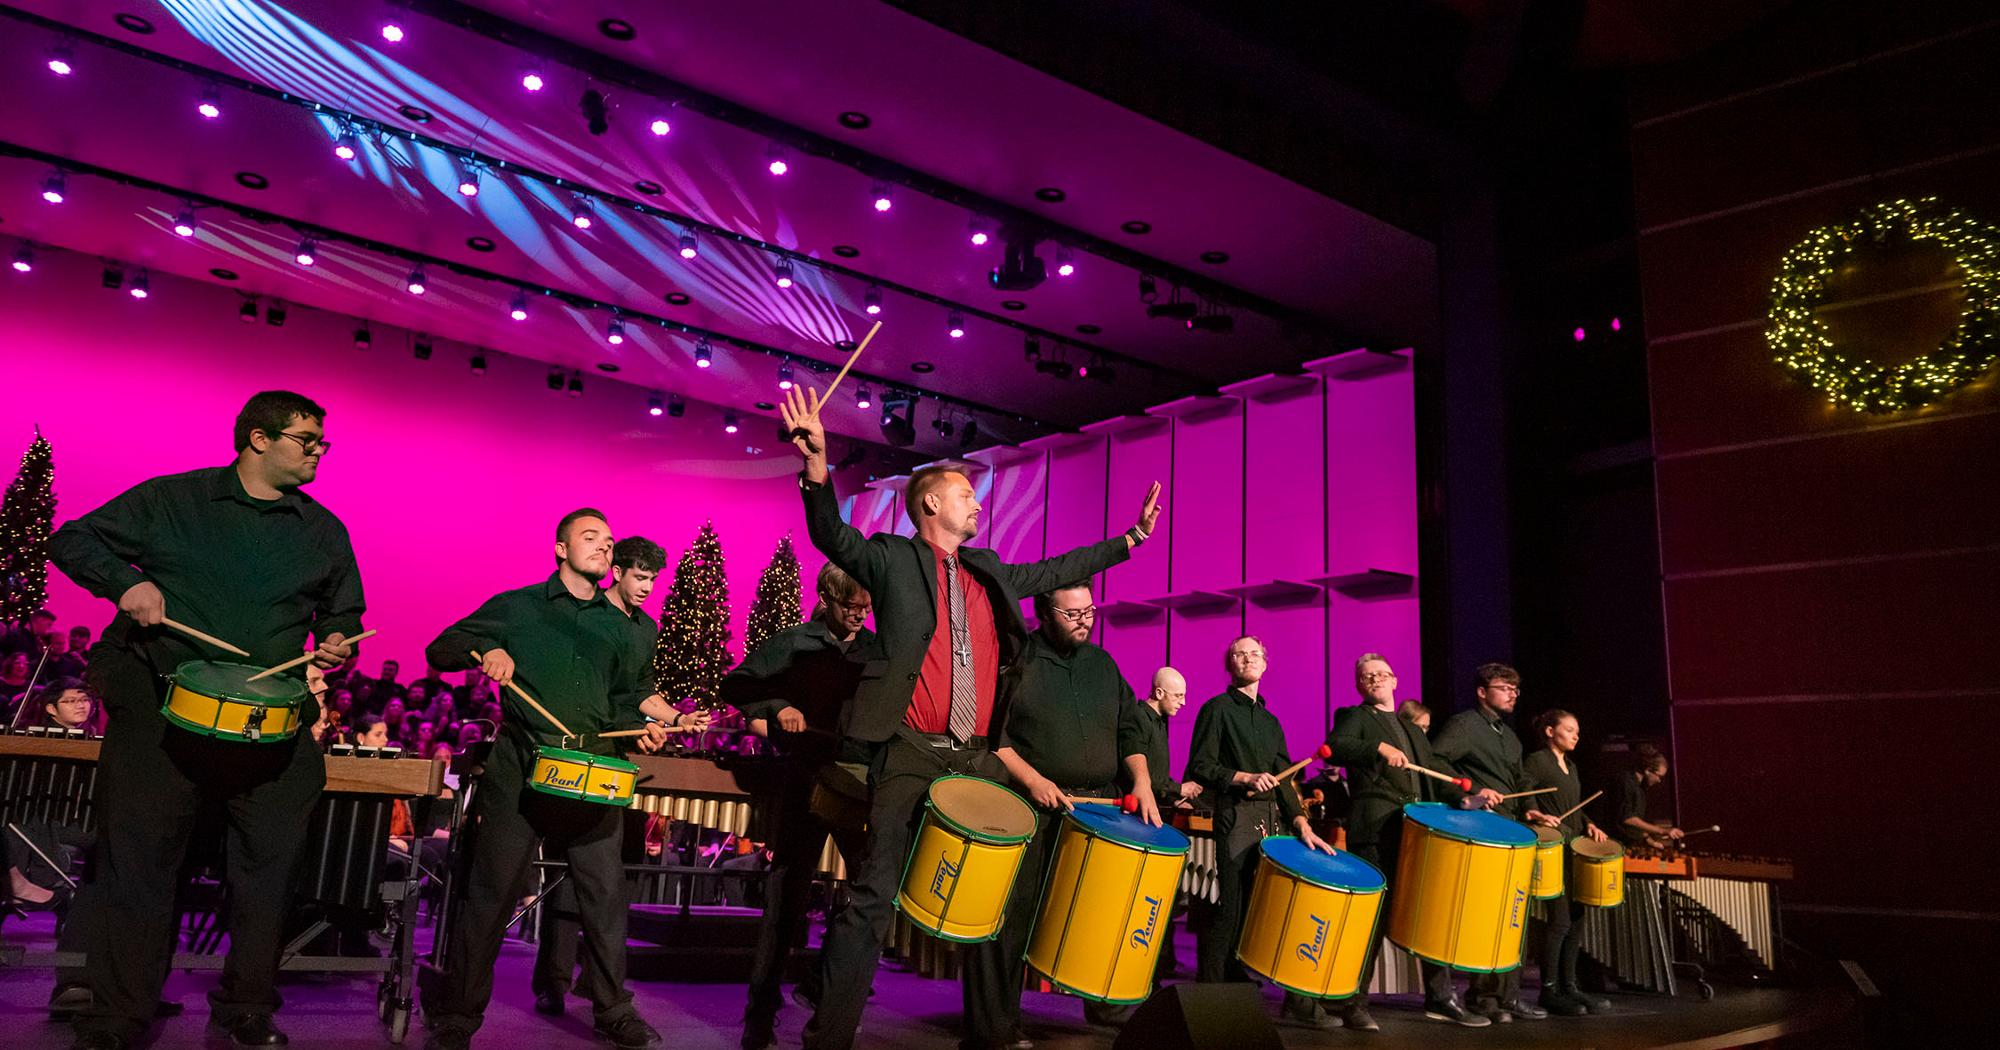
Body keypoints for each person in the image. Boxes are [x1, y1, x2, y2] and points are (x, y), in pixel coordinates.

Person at [777, 384, 1161, 1050]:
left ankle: (991, 1026)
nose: (977, 503)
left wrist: (1129, 540)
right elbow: (830, 534)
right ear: (931, 503)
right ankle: (829, 1036)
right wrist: (816, 469)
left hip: (978, 755)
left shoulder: (987, 569)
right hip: (908, 749)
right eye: (965, 493)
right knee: (873, 898)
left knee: (1003, 897)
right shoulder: (891, 558)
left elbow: (1057, 567)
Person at [46, 389, 363, 1050]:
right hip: (165, 710)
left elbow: (344, 613)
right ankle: (121, 1013)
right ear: (257, 438)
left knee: (271, 868)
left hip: (264, 726)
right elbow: (72, 539)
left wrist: (338, 642)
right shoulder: (175, 500)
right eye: (307, 440)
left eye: (320, 442)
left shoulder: (323, 530)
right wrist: (123, 584)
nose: (318, 453)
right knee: (140, 867)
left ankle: (246, 1005)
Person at [421, 509, 689, 1050]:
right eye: (590, 537)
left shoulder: (629, 627)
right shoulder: (517, 607)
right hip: (521, 768)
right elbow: (440, 649)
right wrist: (486, 650)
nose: (604, 547)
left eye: (610, 541)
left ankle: (613, 1010)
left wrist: (644, 729)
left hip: (590, 772)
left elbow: (624, 698)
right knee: (492, 894)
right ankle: (458, 1014)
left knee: (606, 896)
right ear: (561, 549)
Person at [977, 581, 1162, 1039]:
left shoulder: (1103, 664)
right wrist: (1037, 782)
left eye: (1089, 611)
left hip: (1098, 809)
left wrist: (1141, 779)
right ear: (1044, 613)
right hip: (1034, 806)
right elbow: (992, 738)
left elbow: (1130, 730)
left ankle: (1108, 1011)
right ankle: (995, 1027)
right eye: (1072, 614)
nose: (1084, 621)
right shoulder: (1018, 662)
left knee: (1099, 913)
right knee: (1011, 916)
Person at [722, 563, 878, 1050]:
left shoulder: (876, 653)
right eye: (850, 606)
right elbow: (737, 685)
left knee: (873, 897)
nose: (858, 615)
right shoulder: (794, 644)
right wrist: (775, 707)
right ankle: (759, 1018)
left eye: (866, 608)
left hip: (858, 785)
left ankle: (818, 984)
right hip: (804, 782)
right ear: (825, 599)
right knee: (785, 901)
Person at [530, 534, 678, 1019]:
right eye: (640, 576)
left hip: (618, 763)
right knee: (566, 880)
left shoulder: (646, 628)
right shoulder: (591, 618)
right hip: (578, 755)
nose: (647, 587)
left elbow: (640, 691)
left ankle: (594, 984)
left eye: (654, 580)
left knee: (605, 882)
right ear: (616, 572)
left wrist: (674, 718)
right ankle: (552, 980)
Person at [1318, 652, 1503, 1032]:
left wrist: (1466, 800)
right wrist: (1377, 749)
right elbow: (1335, 746)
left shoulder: (1412, 729)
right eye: (1366, 676)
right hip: (1376, 830)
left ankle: (1440, 997)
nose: (1375, 680)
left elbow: (1435, 776)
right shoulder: (1354, 717)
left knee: (1428, 914)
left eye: (1382, 674)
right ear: (1358, 685)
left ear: (1395, 681)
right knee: (1374, 919)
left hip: (1414, 833)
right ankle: (1353, 1002)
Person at [1186, 636, 1338, 1018]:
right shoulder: (1216, 709)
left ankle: (1243, 989)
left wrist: (1301, 822)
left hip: (1270, 823)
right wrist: (1244, 777)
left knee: (1258, 909)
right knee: (1226, 911)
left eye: (1255, 654)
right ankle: (1210, 1001)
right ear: (1230, 664)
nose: (1248, 659)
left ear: (1265, 664)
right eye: (1240, 654)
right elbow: (1201, 767)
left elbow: (1286, 780)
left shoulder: (1270, 721)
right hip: (1233, 817)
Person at [1431, 663, 1552, 1023]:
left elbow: (1521, 780)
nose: (1513, 694)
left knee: (1513, 917)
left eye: (1516, 688)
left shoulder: (1509, 736)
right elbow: (1435, 762)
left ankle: (1507, 997)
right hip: (1482, 831)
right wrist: (1470, 790)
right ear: (1482, 692)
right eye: (1505, 687)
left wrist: (1531, 808)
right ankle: (1483, 998)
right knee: (1486, 918)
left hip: (1512, 833)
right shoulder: (1464, 725)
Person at [1522, 709, 1613, 1015]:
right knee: (1559, 921)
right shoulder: (1537, 760)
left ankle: (1570, 987)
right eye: (1570, 729)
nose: (1576, 735)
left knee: (1576, 921)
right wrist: (1534, 813)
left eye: (1577, 731)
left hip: (1574, 848)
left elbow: (1573, 807)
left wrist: (1588, 823)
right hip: (1553, 850)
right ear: (1549, 731)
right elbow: (1526, 793)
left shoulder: (1570, 766)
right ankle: (1549, 991)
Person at [1615, 744, 1682, 848]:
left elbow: (1636, 823)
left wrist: (1649, 840)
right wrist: (1663, 830)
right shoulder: (1626, 782)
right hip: (1615, 844)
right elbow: (1627, 818)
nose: (1659, 781)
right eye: (1659, 776)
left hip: (1629, 843)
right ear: (1648, 770)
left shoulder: (1641, 788)